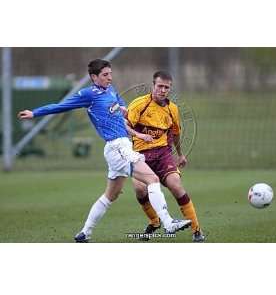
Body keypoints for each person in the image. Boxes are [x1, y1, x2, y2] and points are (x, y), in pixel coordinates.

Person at [17, 59, 191, 242]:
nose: (110, 77)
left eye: (110, 73)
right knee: (152, 179)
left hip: (121, 147)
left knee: (111, 195)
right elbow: (61, 106)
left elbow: (123, 115)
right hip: (117, 147)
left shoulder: (111, 91)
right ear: (94, 77)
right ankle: (168, 222)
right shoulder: (88, 95)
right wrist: (35, 113)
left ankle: (84, 233)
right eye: (105, 75)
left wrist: (128, 117)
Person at [126, 71, 205, 242]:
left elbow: (176, 133)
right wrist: (137, 138)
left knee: (176, 185)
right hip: (140, 155)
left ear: (170, 88)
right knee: (139, 189)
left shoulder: (172, 109)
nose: (162, 90)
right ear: (153, 85)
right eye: (160, 86)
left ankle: (196, 230)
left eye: (166, 87)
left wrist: (181, 154)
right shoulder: (139, 104)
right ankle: (154, 222)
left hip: (163, 154)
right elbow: (125, 126)